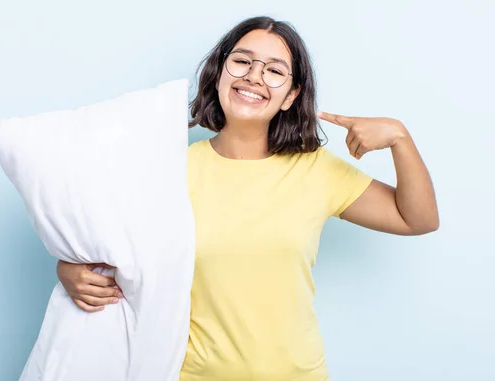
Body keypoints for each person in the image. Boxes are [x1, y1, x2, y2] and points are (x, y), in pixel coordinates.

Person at [55, 16, 439, 381]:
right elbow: (107, 250)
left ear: (291, 95)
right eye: (241, 61)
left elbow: (417, 219)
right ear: (219, 74)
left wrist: (400, 139)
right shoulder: (168, 170)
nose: (254, 75)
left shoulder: (316, 170)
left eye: (273, 70)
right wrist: (70, 271)